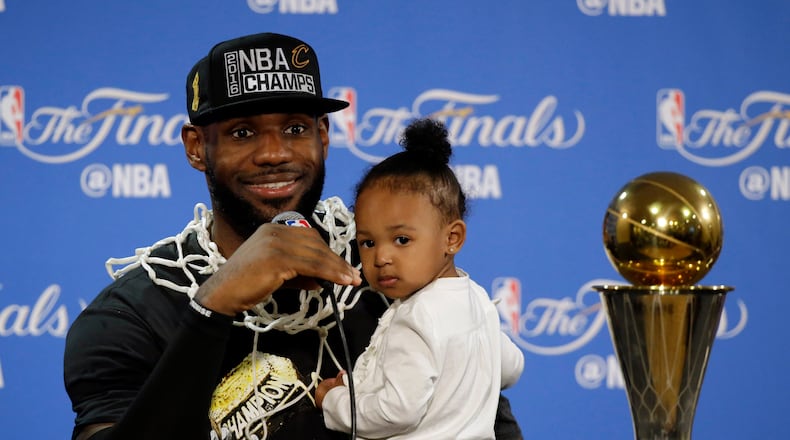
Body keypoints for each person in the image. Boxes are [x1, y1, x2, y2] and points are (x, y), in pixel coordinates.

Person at [63, 32, 524, 440]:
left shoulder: (394, 270)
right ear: (197, 147)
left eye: (296, 128)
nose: (274, 153)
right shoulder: (129, 315)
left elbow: (484, 423)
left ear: (323, 136)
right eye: (242, 132)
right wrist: (213, 307)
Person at [314, 118, 524, 439]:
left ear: (452, 238)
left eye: (401, 240)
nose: (381, 257)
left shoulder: (415, 317)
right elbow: (511, 367)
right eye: (368, 243)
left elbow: (395, 412)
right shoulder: (478, 299)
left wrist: (335, 401)